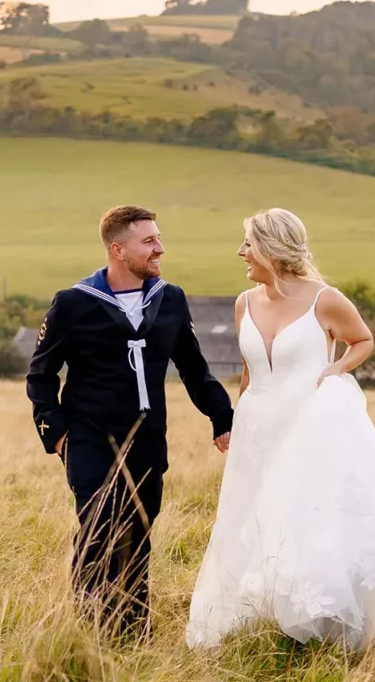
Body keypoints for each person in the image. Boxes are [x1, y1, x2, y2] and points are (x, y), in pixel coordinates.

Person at [186, 208, 375, 649]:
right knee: (250, 518)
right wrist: (233, 421)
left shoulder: (324, 299)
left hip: (307, 426)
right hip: (256, 427)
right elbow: (250, 372)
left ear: (272, 249)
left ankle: (319, 622)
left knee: (306, 517)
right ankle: (261, 613)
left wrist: (336, 370)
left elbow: (362, 340)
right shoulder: (243, 304)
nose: (241, 253)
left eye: (248, 244)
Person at [28, 205, 234, 638]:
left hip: (147, 442)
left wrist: (221, 417)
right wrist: (58, 435)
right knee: (98, 532)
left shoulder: (170, 298)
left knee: (138, 535)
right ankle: (90, 637)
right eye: (149, 241)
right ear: (118, 250)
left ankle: (133, 634)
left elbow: (194, 368)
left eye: (158, 238)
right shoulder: (73, 303)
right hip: (88, 439)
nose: (160, 248)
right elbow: (40, 375)